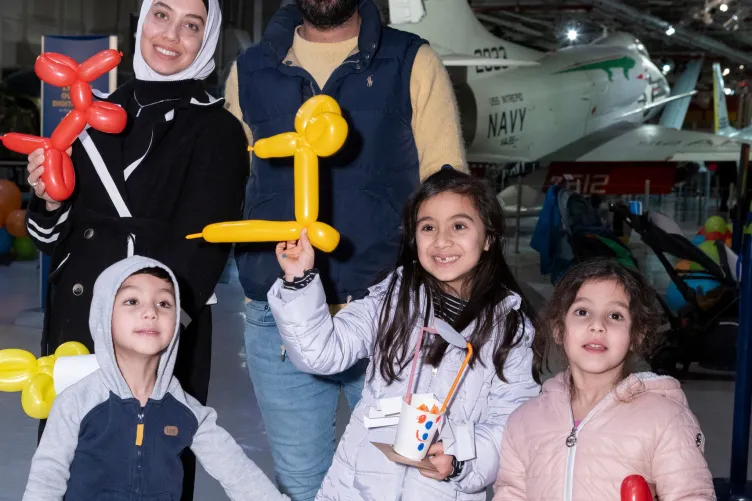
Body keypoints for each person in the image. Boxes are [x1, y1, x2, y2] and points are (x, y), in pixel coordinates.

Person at [223, 1, 466, 498]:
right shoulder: (250, 70)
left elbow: (449, 193)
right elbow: (222, 182)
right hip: (280, 318)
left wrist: (458, 303)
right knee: (302, 485)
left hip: (389, 318)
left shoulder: (411, 61)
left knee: (400, 481)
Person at [24, 1, 248, 498]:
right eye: (161, 16)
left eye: (192, 25)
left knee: (149, 473)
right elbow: (48, 240)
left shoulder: (219, 130)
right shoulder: (91, 114)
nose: (172, 35)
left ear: (207, 38)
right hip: (74, 324)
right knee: (66, 467)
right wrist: (46, 199)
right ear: (141, 20)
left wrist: (143, 341)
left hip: (156, 330)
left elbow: (198, 258)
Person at [266, 168, 538, 500]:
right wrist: (300, 281)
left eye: (459, 226)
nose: (441, 241)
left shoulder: (509, 329)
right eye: (428, 227)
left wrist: (459, 457)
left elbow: (510, 422)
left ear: (488, 239)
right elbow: (321, 353)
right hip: (357, 489)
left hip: (442, 489)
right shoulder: (389, 300)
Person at [23, 256, 288, 501]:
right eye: (132, 301)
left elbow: (237, 472)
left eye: (164, 303)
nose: (151, 312)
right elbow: (47, 479)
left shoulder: (186, 411)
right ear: (104, 316)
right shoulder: (77, 402)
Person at [492, 259, 716, 501]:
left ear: (636, 336)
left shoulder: (666, 419)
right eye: (582, 312)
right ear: (558, 329)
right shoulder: (524, 421)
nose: (597, 325)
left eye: (615, 315)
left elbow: (692, 495)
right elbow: (511, 494)